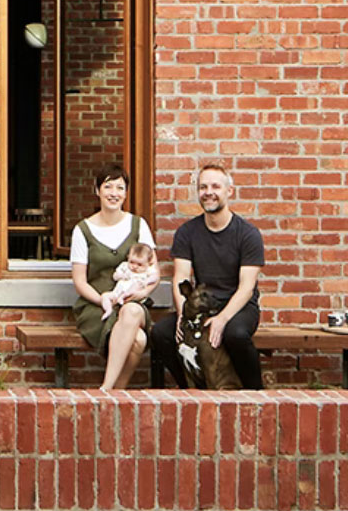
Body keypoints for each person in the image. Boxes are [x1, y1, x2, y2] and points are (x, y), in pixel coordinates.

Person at [166, 163, 267, 390]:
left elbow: (246, 287)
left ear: (229, 191)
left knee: (236, 335)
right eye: (203, 187)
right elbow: (180, 279)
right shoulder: (187, 232)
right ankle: (191, 391)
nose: (208, 192)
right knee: (162, 334)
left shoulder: (248, 234)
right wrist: (183, 315)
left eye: (215, 186)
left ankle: (255, 394)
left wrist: (222, 319)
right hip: (201, 306)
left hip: (239, 306)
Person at [69, 166, 157, 391]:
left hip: (132, 301)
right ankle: (117, 393)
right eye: (107, 186)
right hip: (96, 307)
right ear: (97, 190)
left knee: (133, 310)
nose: (113, 193)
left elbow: (154, 272)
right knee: (139, 339)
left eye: (120, 187)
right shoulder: (83, 230)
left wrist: (142, 293)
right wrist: (103, 300)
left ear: (126, 193)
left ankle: (106, 390)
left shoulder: (138, 225)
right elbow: (80, 281)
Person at [100, 241, 162, 316]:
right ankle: (108, 310)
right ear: (128, 257)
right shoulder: (125, 266)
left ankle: (123, 297)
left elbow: (155, 277)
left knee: (136, 285)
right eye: (132, 262)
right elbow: (115, 276)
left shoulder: (148, 270)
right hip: (117, 293)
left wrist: (146, 281)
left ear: (148, 263)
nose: (134, 266)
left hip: (133, 294)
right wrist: (121, 276)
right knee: (104, 296)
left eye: (140, 264)